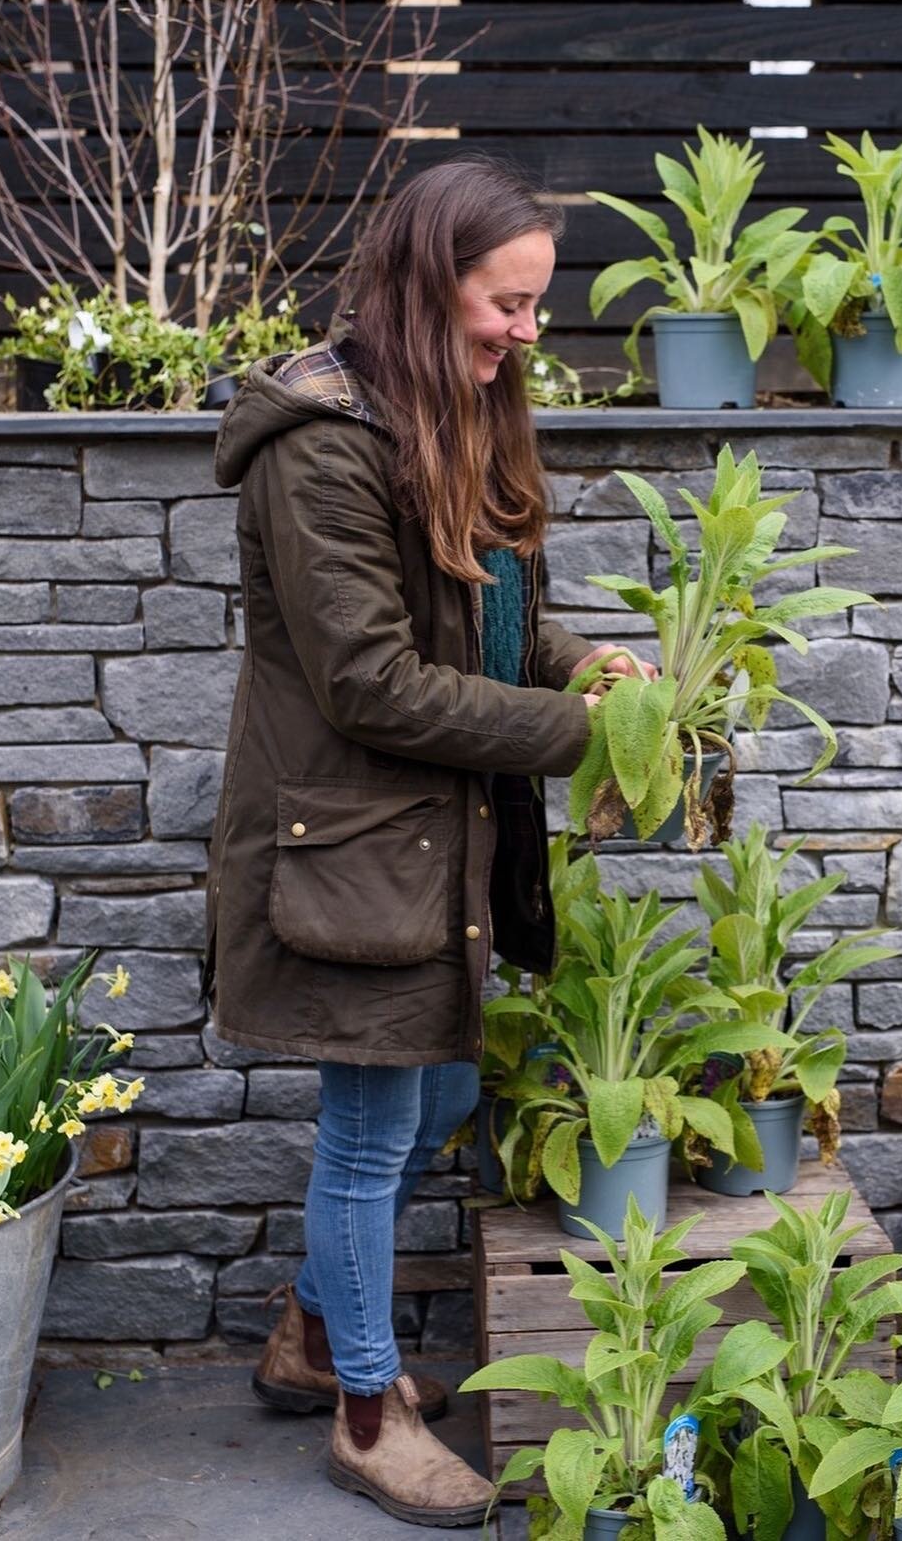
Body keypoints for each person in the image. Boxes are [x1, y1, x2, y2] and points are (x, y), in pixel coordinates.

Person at [201, 156, 650, 1527]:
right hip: (350, 844)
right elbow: (372, 684)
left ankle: (317, 1332)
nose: (525, 334)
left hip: (434, 840)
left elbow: (493, 615)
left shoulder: (462, 410)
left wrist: (593, 670)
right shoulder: (322, 446)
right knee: (371, 1126)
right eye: (502, 305)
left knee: (442, 1098)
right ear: (422, 281)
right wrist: (580, 740)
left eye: (534, 309)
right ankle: (361, 1416)